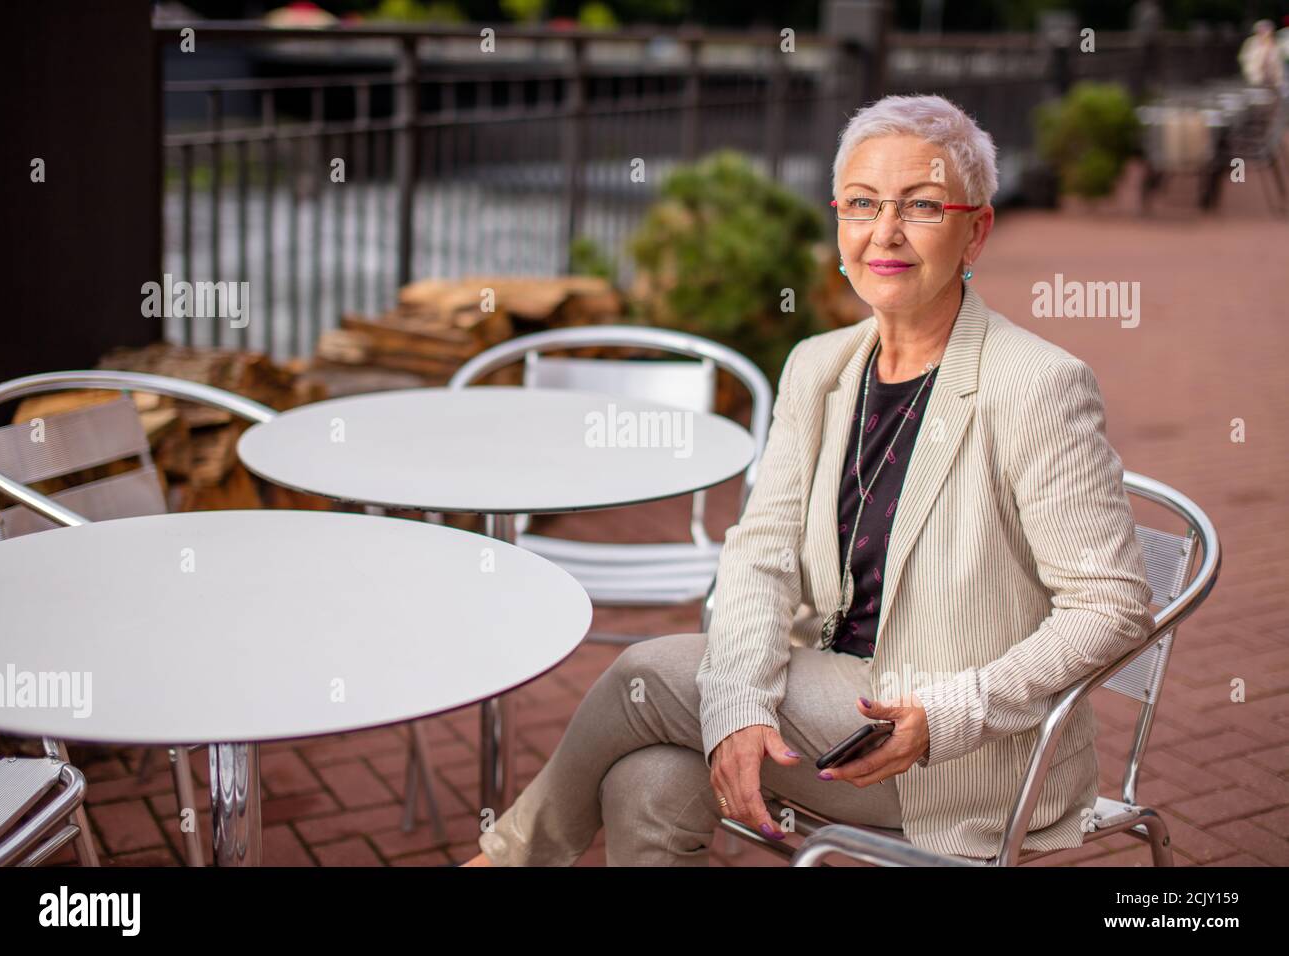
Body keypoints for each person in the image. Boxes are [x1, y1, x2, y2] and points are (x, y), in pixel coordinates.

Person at [464, 93, 1155, 866]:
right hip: (816, 709)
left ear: (975, 230)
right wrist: (738, 704)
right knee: (647, 780)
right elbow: (761, 554)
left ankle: (504, 861)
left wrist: (948, 712)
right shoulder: (817, 366)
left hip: (950, 753)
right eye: (862, 204)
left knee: (644, 673)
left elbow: (1114, 604)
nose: (884, 233)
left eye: (921, 206)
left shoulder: (1037, 384)